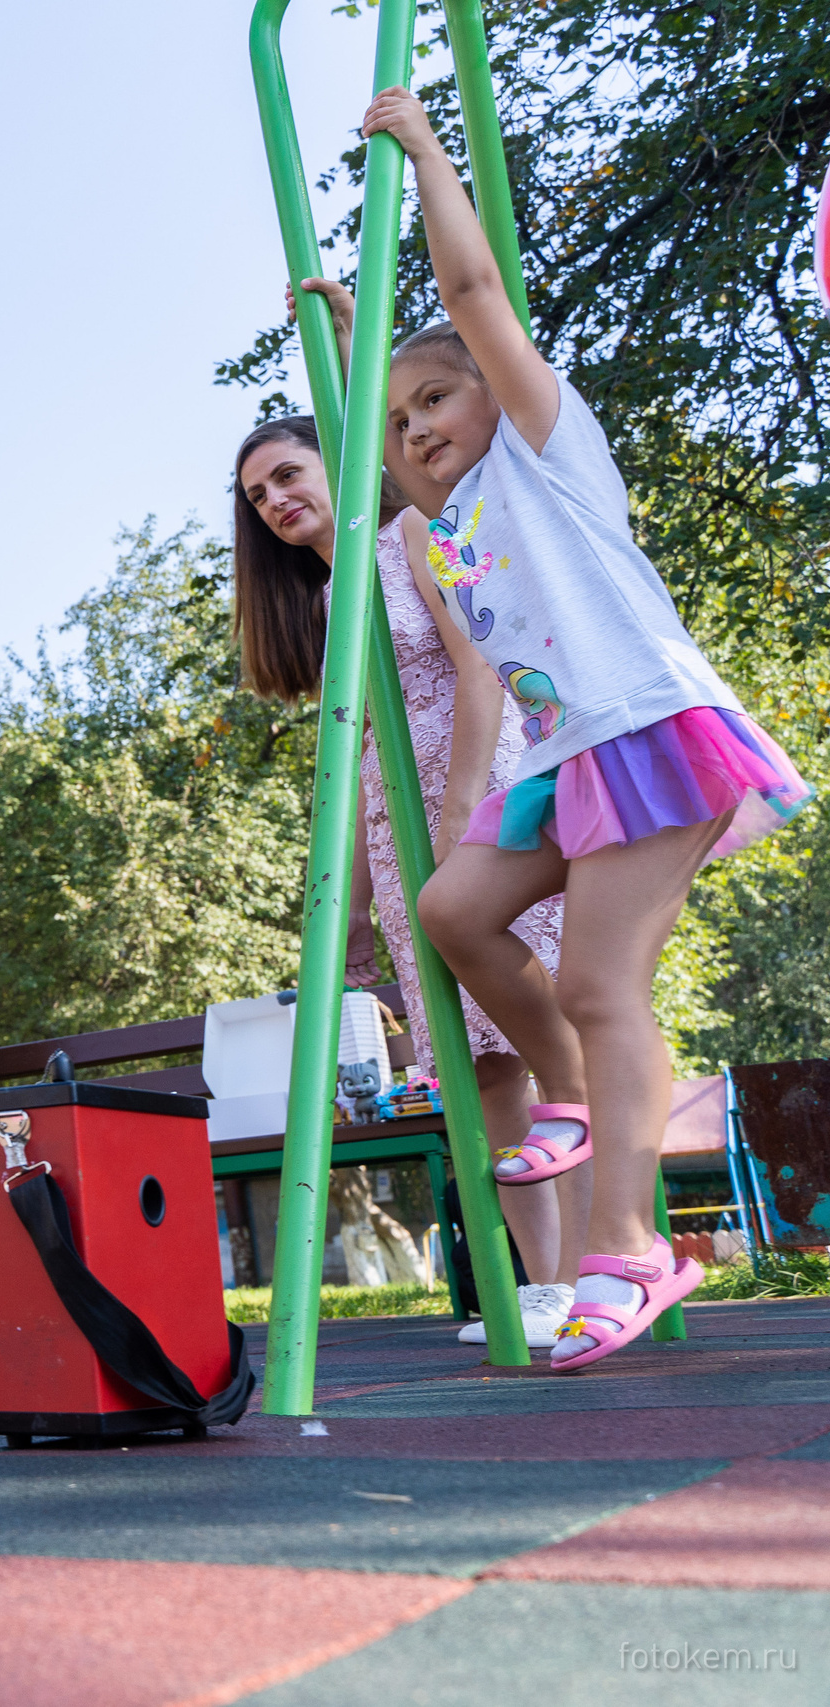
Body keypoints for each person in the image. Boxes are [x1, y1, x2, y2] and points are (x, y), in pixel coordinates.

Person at [363, 85, 809, 1370]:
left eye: (434, 401)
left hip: (648, 728)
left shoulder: (545, 454)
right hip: (570, 762)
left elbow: (472, 294)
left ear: (494, 394)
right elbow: (370, 445)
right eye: (399, 425)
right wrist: (345, 340)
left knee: (602, 985)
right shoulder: (445, 530)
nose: (418, 431)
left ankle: (628, 1245)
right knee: (453, 912)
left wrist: (424, 150)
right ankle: (564, 1090)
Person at [232, 382, 579, 1350]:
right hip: (400, 832)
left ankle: (591, 1264)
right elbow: (355, 753)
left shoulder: (412, 537)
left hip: (480, 790)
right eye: (257, 495)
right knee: (480, 1062)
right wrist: (347, 900)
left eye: (287, 474)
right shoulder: (329, 600)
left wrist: (465, 805)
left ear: (336, 467)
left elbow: (479, 667)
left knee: (545, 1026)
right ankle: (542, 1284)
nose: (275, 500)